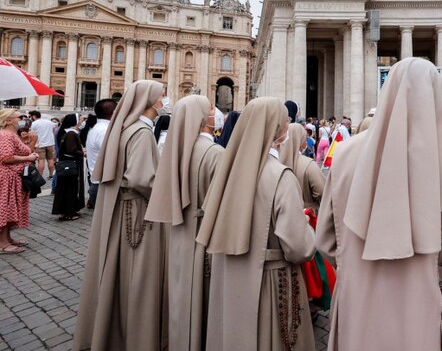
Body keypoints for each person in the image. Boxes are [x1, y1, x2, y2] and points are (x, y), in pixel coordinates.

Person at [316, 58, 442, 350]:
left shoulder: (343, 154)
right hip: (421, 311)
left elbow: (326, 240)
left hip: (357, 305)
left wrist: (354, 268)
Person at [196, 97, 315, 351]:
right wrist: (305, 225)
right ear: (280, 131)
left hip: (231, 276)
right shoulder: (281, 176)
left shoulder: (228, 169)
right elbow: (299, 248)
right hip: (272, 281)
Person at [73, 80, 168, 351]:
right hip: (137, 212)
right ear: (149, 101)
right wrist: (166, 196)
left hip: (123, 208)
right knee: (137, 273)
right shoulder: (140, 132)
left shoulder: (127, 128)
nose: (164, 101)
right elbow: (142, 178)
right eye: (161, 97)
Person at [144, 95, 224, 351]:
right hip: (203, 229)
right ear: (203, 118)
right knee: (202, 290)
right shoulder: (214, 153)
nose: (215, 112)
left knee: (180, 287)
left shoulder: (174, 149)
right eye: (211, 109)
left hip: (179, 228)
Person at [0, 109, 37, 254]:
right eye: (20, 117)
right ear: (8, 120)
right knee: (5, 208)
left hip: (14, 176)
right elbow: (6, 158)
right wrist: (28, 158)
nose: (23, 119)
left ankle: (7, 238)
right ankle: (2, 243)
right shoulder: (5, 135)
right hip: (7, 177)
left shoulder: (12, 135)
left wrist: (30, 144)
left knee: (11, 208)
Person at [279, 123, 326, 211]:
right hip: (308, 214)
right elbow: (322, 191)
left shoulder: (275, 162)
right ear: (300, 142)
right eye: (305, 138)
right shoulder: (309, 164)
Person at [52, 113, 85, 221]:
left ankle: (64, 211)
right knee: (70, 188)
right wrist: (82, 153)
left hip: (66, 164)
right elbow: (71, 149)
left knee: (65, 188)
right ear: (75, 121)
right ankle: (69, 212)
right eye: (80, 119)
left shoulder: (68, 133)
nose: (82, 121)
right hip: (70, 164)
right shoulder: (71, 134)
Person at [86, 99, 117, 210]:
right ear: (114, 112)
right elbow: (113, 157)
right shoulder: (105, 131)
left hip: (98, 183)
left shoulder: (97, 129)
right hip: (103, 186)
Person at [30, 110, 56, 178]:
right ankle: (51, 175)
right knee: (51, 160)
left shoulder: (34, 123)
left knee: (41, 161)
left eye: (31, 116)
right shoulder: (49, 122)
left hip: (39, 144)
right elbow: (53, 130)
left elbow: (32, 134)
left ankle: (40, 177)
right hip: (50, 143)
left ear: (34, 116)